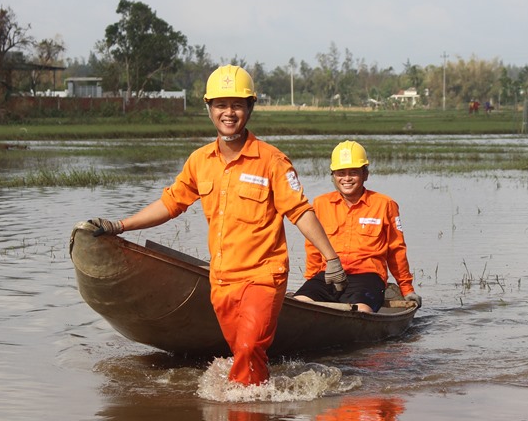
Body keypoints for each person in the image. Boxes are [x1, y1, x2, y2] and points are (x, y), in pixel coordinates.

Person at [88, 65, 346, 386]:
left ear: (250, 107)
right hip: (221, 284)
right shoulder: (200, 161)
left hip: (263, 277)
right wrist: (119, 225)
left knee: (249, 348)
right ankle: (256, 413)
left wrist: (331, 260)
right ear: (209, 108)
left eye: (237, 104)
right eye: (221, 105)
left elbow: (300, 211)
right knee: (244, 355)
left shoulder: (272, 161)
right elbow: (171, 203)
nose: (229, 112)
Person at [293, 140, 421, 313]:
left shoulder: (384, 204)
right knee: (300, 304)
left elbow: (396, 250)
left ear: (365, 174)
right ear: (333, 176)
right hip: (330, 275)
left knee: (361, 312)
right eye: (341, 173)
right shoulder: (321, 204)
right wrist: (310, 281)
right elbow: (313, 247)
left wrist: (407, 289)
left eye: (353, 172)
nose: (346, 178)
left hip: (368, 277)